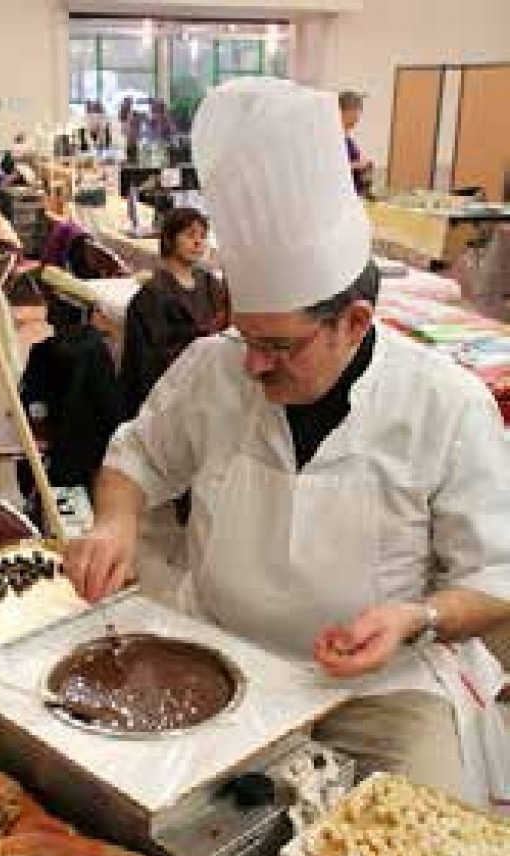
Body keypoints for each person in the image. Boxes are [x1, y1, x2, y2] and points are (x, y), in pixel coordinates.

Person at [64, 78, 510, 807]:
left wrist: (418, 617)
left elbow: (497, 579)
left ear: (355, 321)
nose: (253, 364)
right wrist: (115, 522)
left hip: (379, 693)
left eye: (280, 345)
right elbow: (134, 458)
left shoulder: (446, 406)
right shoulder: (213, 369)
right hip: (214, 660)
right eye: (246, 335)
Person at [120, 206, 229, 419]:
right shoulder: (153, 294)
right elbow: (150, 360)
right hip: (172, 393)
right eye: (190, 235)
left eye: (203, 236)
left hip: (211, 382)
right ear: (169, 240)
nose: (198, 242)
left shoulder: (209, 283)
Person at [338, 90, 373, 197]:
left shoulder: (346, 136)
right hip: (342, 195)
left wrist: (364, 165)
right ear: (344, 111)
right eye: (356, 111)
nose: (358, 117)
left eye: (359, 111)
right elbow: (329, 169)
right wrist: (357, 165)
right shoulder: (333, 137)